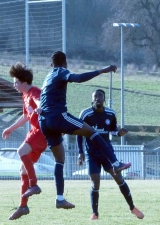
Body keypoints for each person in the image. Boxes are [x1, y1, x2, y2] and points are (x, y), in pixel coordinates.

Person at [36, 51, 131, 209]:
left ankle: (60, 198)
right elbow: (78, 78)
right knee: (92, 131)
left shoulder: (48, 77)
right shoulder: (62, 71)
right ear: (65, 63)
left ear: (51, 64)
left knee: (59, 160)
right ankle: (115, 163)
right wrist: (102, 70)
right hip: (57, 116)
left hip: (44, 121)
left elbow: (44, 97)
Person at [76, 89, 144, 220]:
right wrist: (80, 152)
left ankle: (132, 208)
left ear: (104, 98)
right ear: (92, 99)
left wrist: (119, 133)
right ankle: (95, 213)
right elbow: (79, 133)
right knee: (95, 183)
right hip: (92, 154)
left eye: (100, 96)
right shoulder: (85, 114)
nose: (98, 98)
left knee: (119, 179)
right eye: (95, 96)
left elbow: (112, 131)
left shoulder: (111, 114)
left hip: (107, 154)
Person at [2, 62, 47, 220]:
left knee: (20, 151)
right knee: (22, 171)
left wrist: (41, 108)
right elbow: (25, 116)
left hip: (41, 132)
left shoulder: (34, 91)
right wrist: (10, 128)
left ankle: (34, 184)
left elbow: (41, 101)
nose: (14, 85)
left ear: (24, 83)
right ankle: (23, 206)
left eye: (16, 82)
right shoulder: (24, 95)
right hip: (33, 132)